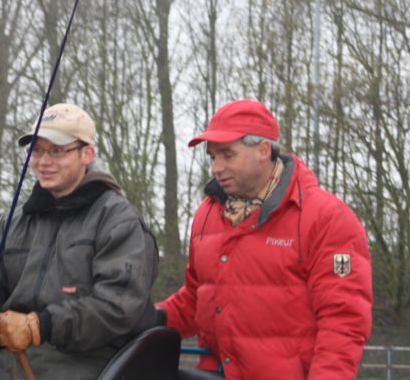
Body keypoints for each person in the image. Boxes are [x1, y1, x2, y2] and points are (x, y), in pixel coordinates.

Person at [157, 99, 372, 379]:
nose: (216, 168)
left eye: (227, 155)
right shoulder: (206, 215)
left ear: (263, 150)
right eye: (213, 158)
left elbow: (343, 322)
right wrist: (145, 319)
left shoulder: (326, 218)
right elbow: (196, 300)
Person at [0, 103, 160, 379]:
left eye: (57, 151)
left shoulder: (119, 221)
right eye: (36, 150)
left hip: (93, 359)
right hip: (9, 356)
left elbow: (117, 306)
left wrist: (41, 325)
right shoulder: (11, 224)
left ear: (87, 154)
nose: (43, 161)